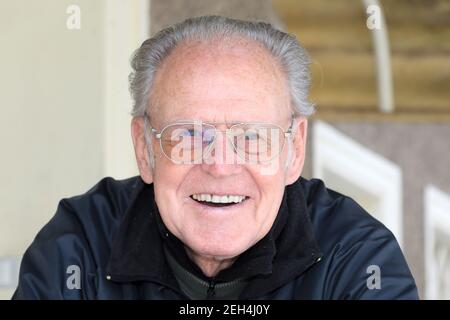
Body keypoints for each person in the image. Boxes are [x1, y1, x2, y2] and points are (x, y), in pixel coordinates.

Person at [13, 16, 418, 300]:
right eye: (189, 135)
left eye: (252, 136)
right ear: (145, 149)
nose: (221, 165)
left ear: (294, 150)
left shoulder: (356, 254)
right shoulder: (80, 244)